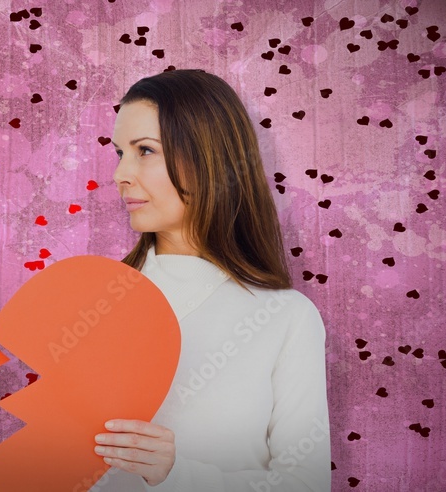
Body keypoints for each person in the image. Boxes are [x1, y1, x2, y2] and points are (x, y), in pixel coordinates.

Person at [91, 70, 331, 491]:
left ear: (209, 159)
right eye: (119, 153)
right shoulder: (93, 302)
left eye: (145, 150)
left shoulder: (285, 317)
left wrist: (174, 474)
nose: (120, 174)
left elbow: (304, 485)